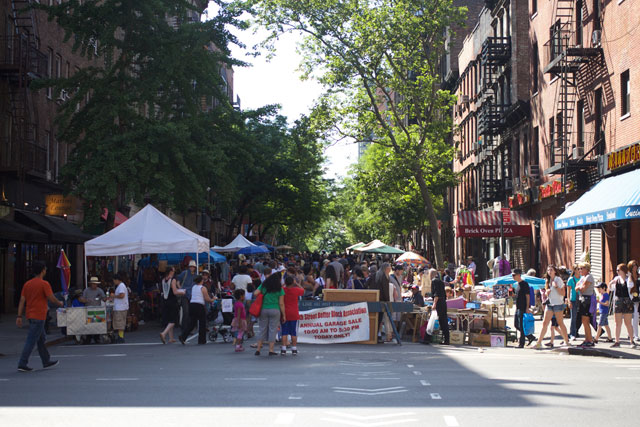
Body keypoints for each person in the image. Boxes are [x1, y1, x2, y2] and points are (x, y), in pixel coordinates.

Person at [16, 261, 63, 372]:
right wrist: (59, 303)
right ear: (42, 270)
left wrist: (19, 315)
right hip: (39, 315)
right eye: (45, 269)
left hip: (30, 315)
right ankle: (22, 363)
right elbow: (51, 298)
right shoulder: (44, 284)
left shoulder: (27, 284)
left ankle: (46, 360)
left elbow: (22, 300)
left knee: (41, 339)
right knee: (31, 340)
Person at [534, 265, 570, 349]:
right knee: (545, 323)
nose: (549, 271)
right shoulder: (547, 280)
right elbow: (547, 293)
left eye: (551, 270)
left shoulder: (558, 279)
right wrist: (547, 292)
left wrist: (556, 287)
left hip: (558, 304)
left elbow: (563, 293)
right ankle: (539, 342)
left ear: (555, 271)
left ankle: (566, 341)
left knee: (560, 323)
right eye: (548, 270)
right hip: (550, 304)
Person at [254, 272, 286, 356]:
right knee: (273, 329)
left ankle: (258, 349)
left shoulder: (264, 286)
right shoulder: (280, 289)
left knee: (262, 329)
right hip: (275, 309)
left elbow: (255, 293)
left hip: (264, 309)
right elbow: (281, 303)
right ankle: (271, 350)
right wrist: (284, 315)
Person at [179, 275, 216, 345]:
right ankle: (202, 340)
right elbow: (207, 299)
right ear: (201, 281)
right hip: (199, 306)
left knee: (192, 323)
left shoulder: (194, 287)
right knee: (202, 323)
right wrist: (213, 299)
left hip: (192, 305)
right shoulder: (203, 288)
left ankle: (183, 336)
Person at [609, 263, 635, 347]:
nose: (617, 272)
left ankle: (631, 340)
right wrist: (610, 283)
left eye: (618, 270)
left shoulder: (628, 279)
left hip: (627, 301)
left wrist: (630, 276)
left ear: (623, 271)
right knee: (618, 323)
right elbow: (611, 288)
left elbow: (631, 285)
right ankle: (617, 341)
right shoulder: (616, 279)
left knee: (628, 323)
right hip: (618, 301)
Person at [159, 267, 186, 344]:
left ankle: (171, 338)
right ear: (171, 271)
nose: (174, 272)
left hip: (165, 301)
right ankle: (164, 333)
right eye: (174, 271)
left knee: (169, 319)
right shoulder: (173, 279)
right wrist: (182, 292)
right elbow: (175, 291)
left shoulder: (164, 279)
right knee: (174, 320)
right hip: (172, 301)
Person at [281, 274, 304, 355]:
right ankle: (294, 348)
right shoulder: (296, 290)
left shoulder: (283, 290)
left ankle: (283, 348)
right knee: (293, 332)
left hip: (285, 313)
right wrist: (296, 283)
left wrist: (284, 284)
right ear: (292, 283)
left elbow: (279, 288)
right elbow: (302, 290)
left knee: (284, 332)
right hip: (294, 313)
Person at [80, 276, 107, 344]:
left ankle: (97, 338)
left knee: (97, 325)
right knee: (89, 325)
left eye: (95, 284)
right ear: (90, 284)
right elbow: (82, 299)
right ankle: (88, 338)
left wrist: (104, 298)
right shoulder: (86, 290)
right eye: (93, 284)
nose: (94, 285)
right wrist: (86, 300)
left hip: (97, 309)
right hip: (89, 309)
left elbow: (104, 299)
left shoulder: (100, 290)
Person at [513, 269, 536, 348]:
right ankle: (530, 337)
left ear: (519, 275)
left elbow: (527, 296)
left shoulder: (524, 284)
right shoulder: (517, 285)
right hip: (518, 306)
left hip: (523, 307)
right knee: (516, 325)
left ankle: (521, 343)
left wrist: (527, 307)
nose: (513, 277)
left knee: (522, 325)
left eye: (514, 275)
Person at [575, 262, 596, 347]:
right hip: (582, 299)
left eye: (581, 268)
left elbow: (583, 289)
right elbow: (576, 288)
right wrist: (579, 286)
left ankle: (590, 340)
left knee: (586, 320)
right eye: (579, 269)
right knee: (584, 320)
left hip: (587, 300)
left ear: (587, 269)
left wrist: (580, 286)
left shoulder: (588, 277)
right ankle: (587, 339)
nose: (580, 270)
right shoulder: (582, 277)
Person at [372, 263, 393, 342]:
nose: (389, 271)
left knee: (376, 319)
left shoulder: (375, 274)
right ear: (386, 269)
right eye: (389, 269)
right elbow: (385, 290)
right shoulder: (384, 276)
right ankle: (376, 337)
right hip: (381, 300)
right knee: (379, 319)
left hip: (374, 298)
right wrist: (387, 301)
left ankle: (375, 336)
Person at [177, 260, 197, 327]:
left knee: (190, 312)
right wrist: (181, 289)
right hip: (184, 295)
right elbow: (177, 282)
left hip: (192, 296)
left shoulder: (195, 275)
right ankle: (184, 327)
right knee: (186, 312)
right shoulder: (184, 273)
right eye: (191, 266)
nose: (192, 268)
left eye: (193, 267)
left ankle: (188, 327)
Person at [111, 273, 129, 344]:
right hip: (120, 307)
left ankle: (120, 337)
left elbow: (122, 295)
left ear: (117, 280)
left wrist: (114, 296)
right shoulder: (120, 286)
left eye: (114, 280)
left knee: (120, 322)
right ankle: (120, 336)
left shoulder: (121, 286)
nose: (113, 282)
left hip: (120, 308)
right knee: (120, 322)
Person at [430, 277, 449, 345]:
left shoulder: (435, 282)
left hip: (439, 304)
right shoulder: (441, 284)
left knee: (442, 321)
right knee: (444, 321)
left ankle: (446, 339)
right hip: (443, 303)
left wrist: (434, 304)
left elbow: (436, 295)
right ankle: (446, 339)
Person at [567, 265, 581, 341]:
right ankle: (572, 334)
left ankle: (576, 331)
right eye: (578, 269)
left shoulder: (582, 278)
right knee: (573, 317)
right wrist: (569, 301)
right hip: (573, 300)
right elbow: (568, 292)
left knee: (582, 317)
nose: (580, 270)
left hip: (581, 300)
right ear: (574, 270)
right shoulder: (571, 279)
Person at [628, 260, 639, 342]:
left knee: (636, 317)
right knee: (633, 317)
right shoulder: (629, 276)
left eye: (636, 265)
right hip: (631, 299)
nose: (635, 267)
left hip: (638, 298)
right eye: (633, 265)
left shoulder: (638, 276)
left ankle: (633, 334)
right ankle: (634, 334)